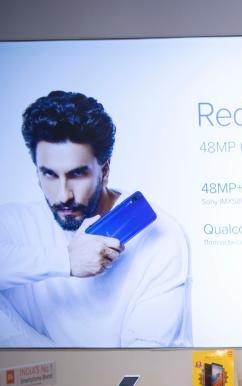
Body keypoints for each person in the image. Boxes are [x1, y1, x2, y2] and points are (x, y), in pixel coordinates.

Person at [0, 90, 191, 347]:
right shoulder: (14, 223)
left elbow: (146, 356)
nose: (63, 195)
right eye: (49, 175)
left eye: (77, 174)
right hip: (40, 372)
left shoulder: (161, 237)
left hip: (126, 372)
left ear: (105, 170)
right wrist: (65, 261)